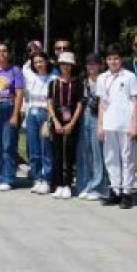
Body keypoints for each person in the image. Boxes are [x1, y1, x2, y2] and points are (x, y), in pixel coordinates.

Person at [98, 44, 137, 208]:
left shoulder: (129, 77)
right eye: (110, 59)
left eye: (116, 58)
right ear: (106, 61)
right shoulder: (102, 77)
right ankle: (115, 190)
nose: (113, 62)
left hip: (126, 124)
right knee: (111, 158)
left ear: (121, 60)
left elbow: (135, 102)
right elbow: (101, 103)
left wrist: (134, 125)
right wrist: (100, 125)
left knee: (127, 158)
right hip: (109, 124)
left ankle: (127, 192)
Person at [0, 43, 24, 191]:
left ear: (9, 53)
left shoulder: (15, 71)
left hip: (9, 107)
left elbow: (19, 94)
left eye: (5, 51)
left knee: (8, 145)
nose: (2, 53)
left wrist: (15, 114)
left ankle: (8, 178)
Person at [48, 52, 82, 199]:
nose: (65, 67)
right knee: (57, 153)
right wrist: (55, 120)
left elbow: (80, 104)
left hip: (72, 121)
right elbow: (49, 102)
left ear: (72, 66)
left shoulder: (77, 83)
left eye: (68, 64)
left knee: (69, 154)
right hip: (56, 120)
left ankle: (68, 184)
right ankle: (58, 184)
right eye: (62, 64)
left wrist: (72, 123)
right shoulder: (54, 82)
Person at [23, 52, 56, 194]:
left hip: (45, 113)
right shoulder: (30, 76)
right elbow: (25, 67)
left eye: (41, 61)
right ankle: (37, 178)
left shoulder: (53, 77)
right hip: (32, 113)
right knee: (33, 149)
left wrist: (50, 117)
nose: (38, 64)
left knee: (46, 148)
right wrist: (32, 55)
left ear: (47, 61)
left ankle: (47, 179)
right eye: (35, 62)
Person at [75, 53, 106, 200]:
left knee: (98, 152)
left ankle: (98, 186)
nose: (91, 67)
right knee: (83, 152)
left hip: (98, 118)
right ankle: (84, 185)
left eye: (94, 64)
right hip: (83, 117)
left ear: (100, 65)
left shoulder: (104, 80)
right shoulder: (83, 81)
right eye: (89, 64)